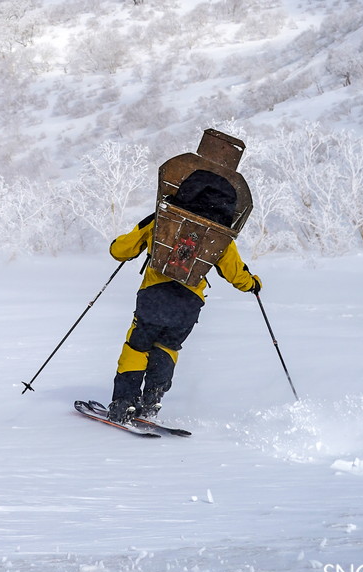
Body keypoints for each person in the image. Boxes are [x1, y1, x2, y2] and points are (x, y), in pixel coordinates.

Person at [106, 168, 261, 423]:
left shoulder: (163, 219)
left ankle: (124, 403)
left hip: (154, 295)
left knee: (137, 346)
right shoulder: (220, 236)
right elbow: (236, 273)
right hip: (188, 304)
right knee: (167, 347)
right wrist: (252, 284)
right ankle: (151, 402)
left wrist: (118, 245)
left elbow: (121, 250)